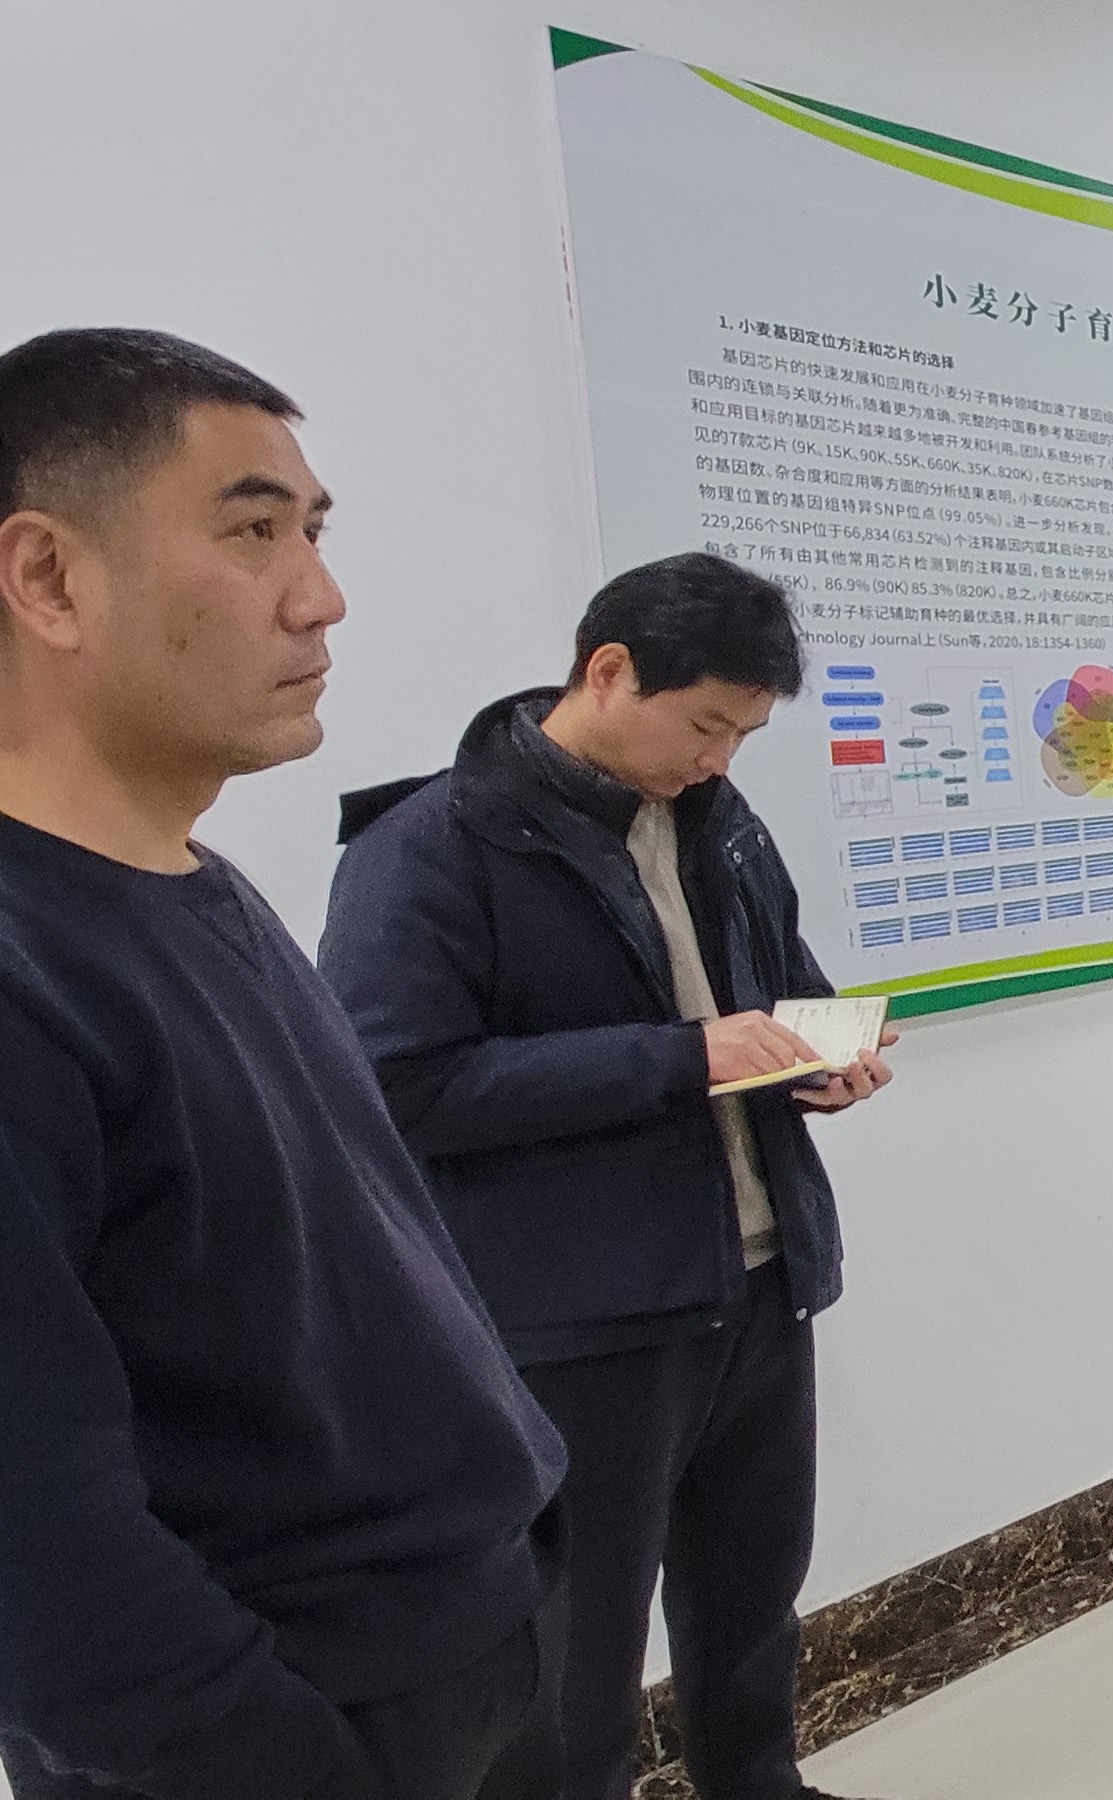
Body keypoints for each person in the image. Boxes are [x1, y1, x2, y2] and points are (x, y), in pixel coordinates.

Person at [0, 326, 564, 1798]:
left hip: (467, 1654)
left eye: (313, 532)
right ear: (48, 578)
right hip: (290, 1728)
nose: (321, 597)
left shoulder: (199, 884)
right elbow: (39, 1540)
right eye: (254, 532)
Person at [320, 552, 894, 1800]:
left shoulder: (720, 825)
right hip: (582, 1319)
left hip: (759, 1278)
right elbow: (395, 1084)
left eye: (742, 735)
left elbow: (773, 994)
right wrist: (684, 1058)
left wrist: (817, 1057)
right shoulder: (435, 843)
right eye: (704, 725)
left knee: (752, 1604)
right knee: (575, 1653)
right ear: (610, 671)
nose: (718, 759)